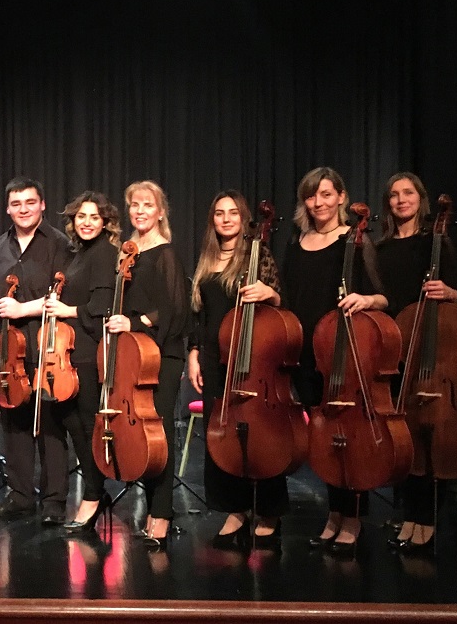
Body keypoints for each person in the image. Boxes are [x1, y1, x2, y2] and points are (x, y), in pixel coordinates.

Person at [280, 166, 389, 554]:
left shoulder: (355, 241)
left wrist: (366, 299)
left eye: (326, 194)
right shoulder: (297, 243)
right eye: (311, 196)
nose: (318, 202)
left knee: (350, 437)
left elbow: (382, 296)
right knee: (326, 439)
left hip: (341, 352)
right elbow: (289, 299)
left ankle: (353, 516)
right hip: (307, 354)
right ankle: (333, 513)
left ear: (341, 197)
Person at [372, 172, 457, 554]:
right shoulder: (380, 249)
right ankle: (409, 513)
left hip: (432, 351)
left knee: (431, 435)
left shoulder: (437, 241)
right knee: (406, 437)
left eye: (408, 192)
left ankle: (426, 518)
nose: (401, 199)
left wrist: (449, 291)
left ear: (420, 198)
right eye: (394, 194)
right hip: (395, 349)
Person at [185, 190, 285, 550]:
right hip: (214, 358)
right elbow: (200, 316)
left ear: (244, 219)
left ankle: (269, 510)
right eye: (219, 213)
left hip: (250, 358)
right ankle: (235, 510)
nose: (226, 219)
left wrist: (270, 295)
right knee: (220, 434)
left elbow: (278, 302)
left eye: (233, 213)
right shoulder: (206, 259)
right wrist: (194, 353)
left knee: (261, 434)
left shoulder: (256, 254)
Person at [103, 180, 190, 547]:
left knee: (160, 432)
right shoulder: (127, 254)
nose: (140, 211)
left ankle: (162, 513)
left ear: (161, 212)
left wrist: (135, 323)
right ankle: (152, 508)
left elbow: (176, 310)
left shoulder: (165, 253)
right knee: (143, 435)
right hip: (133, 355)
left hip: (161, 354)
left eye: (147, 205)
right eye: (134, 205)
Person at [0, 177, 70, 523]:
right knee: (15, 424)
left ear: (42, 204)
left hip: (47, 344)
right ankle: (19, 496)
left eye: (30, 202)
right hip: (9, 349)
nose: (23, 209)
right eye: (16, 204)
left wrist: (22, 309)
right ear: (7, 208)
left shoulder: (58, 243)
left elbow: (62, 294)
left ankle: (54, 500)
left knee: (50, 425)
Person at [43, 191, 119, 535]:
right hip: (72, 353)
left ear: (105, 222)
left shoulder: (104, 253)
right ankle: (93, 492)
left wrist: (66, 309)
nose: (87, 223)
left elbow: (102, 307)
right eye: (81, 217)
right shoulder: (80, 253)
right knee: (75, 425)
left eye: (94, 217)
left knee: (88, 427)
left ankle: (93, 496)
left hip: (89, 353)